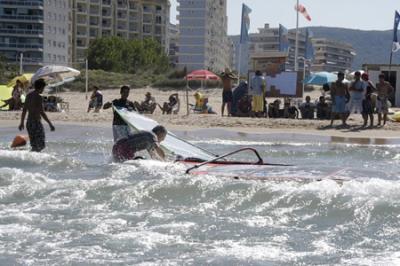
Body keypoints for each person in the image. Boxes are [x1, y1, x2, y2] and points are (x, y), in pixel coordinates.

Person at [18, 79, 55, 152]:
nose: (43, 90)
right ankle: (35, 159)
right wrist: (50, 124)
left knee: (34, 145)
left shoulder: (28, 96)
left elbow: (24, 110)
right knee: (41, 145)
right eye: (43, 88)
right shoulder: (38, 97)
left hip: (29, 123)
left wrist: (22, 123)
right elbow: (42, 112)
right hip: (36, 123)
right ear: (41, 87)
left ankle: (31, 159)